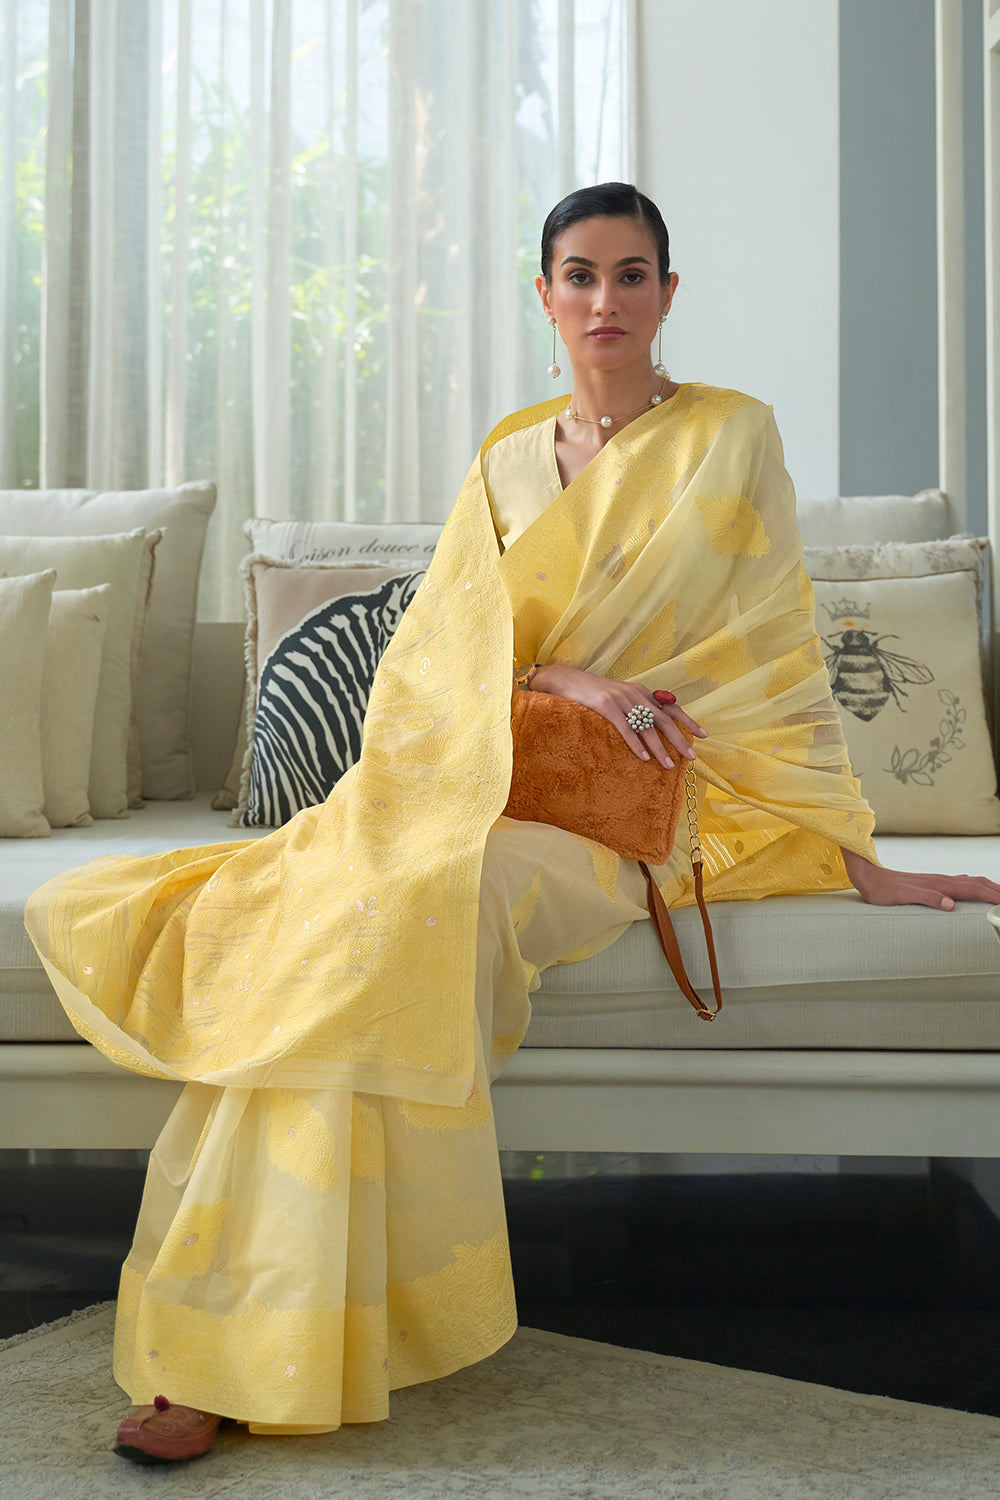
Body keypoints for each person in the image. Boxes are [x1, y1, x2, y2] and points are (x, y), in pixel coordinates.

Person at [26, 182, 1000, 1464]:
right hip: (473, 781)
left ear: (667, 292)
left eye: (632, 274)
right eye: (580, 275)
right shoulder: (504, 459)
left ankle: (231, 1353)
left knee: (425, 909)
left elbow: (774, 660)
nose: (606, 300)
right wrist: (569, 681)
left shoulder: (731, 437)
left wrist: (855, 856)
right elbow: (437, 660)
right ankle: (233, 1347)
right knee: (343, 926)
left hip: (634, 814)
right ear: (543, 295)